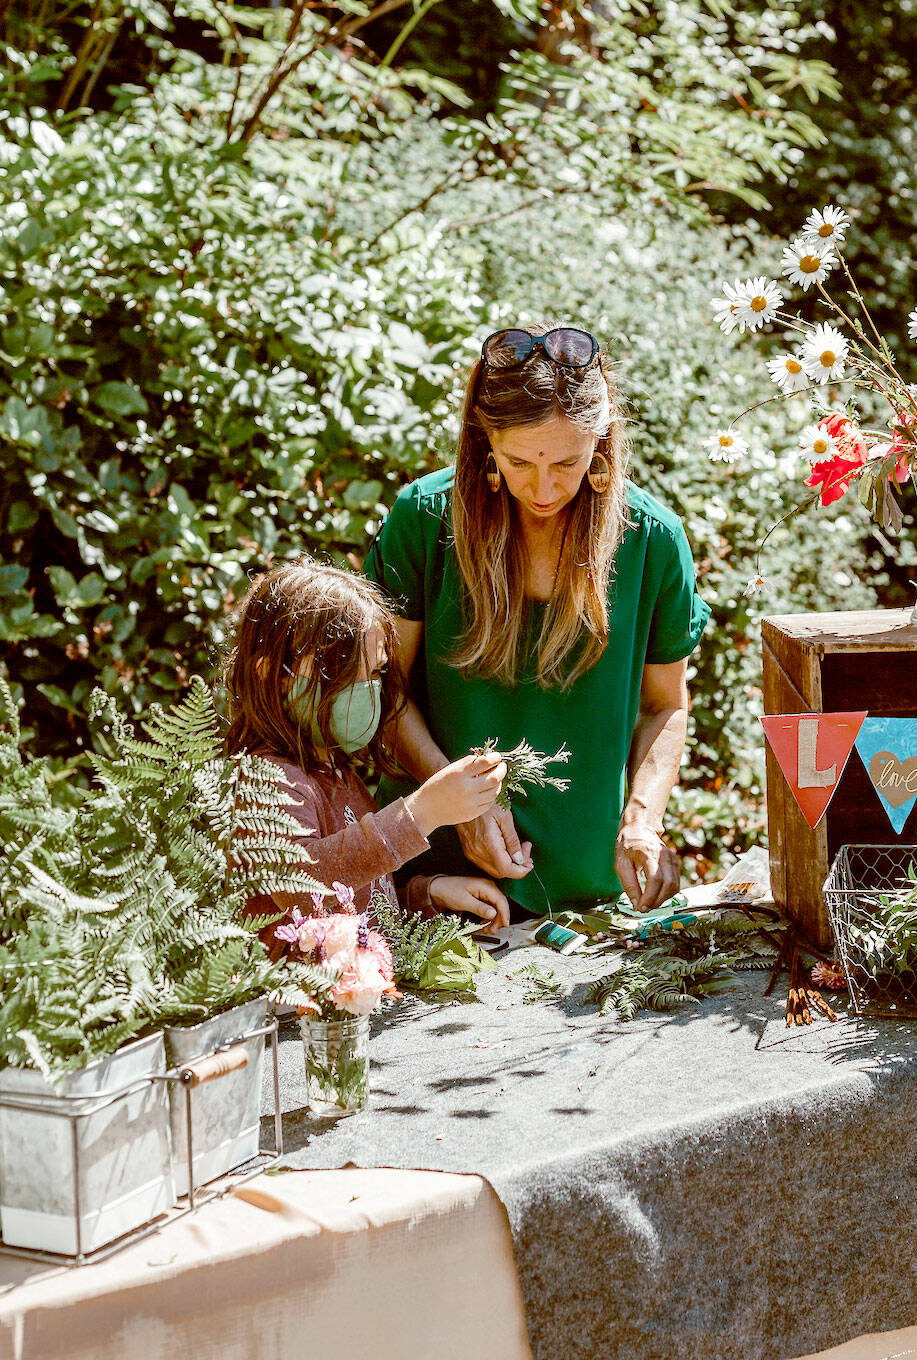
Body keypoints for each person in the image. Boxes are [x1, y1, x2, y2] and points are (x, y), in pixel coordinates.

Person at [364, 324, 710, 916]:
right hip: (432, 884)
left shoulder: (653, 540)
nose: (543, 488)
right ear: (485, 440)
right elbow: (383, 688)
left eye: (568, 462)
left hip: (589, 892)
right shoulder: (423, 519)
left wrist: (642, 822)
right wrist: (458, 804)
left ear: (601, 441)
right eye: (519, 461)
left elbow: (666, 705)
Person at [223, 561, 511, 928]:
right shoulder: (264, 779)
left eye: (374, 672)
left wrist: (426, 892)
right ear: (273, 675)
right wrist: (423, 812)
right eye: (342, 672)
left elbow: (356, 896)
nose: (365, 690)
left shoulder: (337, 772)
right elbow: (302, 886)